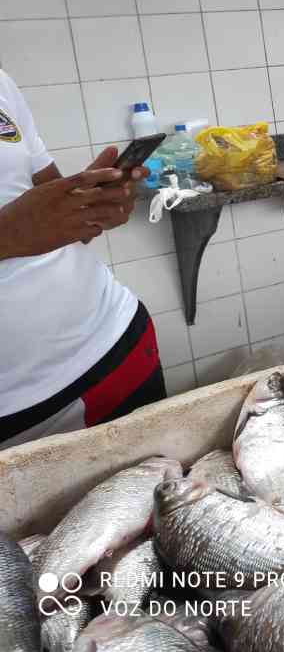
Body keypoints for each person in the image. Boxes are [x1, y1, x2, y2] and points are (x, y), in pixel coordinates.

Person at [0, 69, 164, 449]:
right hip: (19, 412)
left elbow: (53, 199)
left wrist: (95, 205)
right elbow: (22, 224)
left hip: (116, 339)